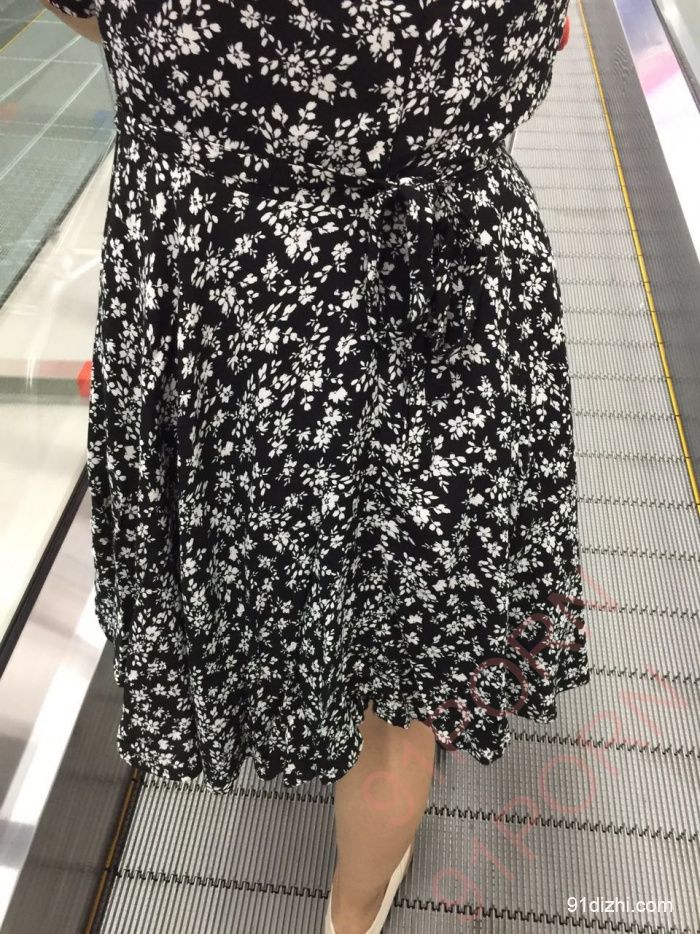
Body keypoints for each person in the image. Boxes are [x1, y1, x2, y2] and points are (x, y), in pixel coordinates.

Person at [41, 2, 591, 932]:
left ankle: (292, 692)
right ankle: (353, 913)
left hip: (230, 298)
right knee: (404, 686)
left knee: (266, 569)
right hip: (443, 292)